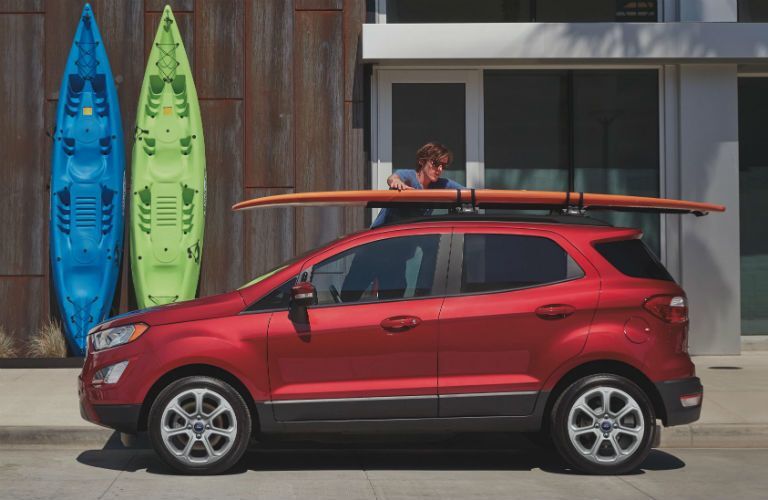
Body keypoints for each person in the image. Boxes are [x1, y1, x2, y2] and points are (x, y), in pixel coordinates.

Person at [371, 142, 465, 227]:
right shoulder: (410, 176)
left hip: (406, 238)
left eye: (443, 165)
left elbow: (468, 192)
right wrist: (397, 183)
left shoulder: (440, 184)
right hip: (381, 238)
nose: (440, 169)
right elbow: (393, 178)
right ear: (422, 161)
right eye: (435, 163)